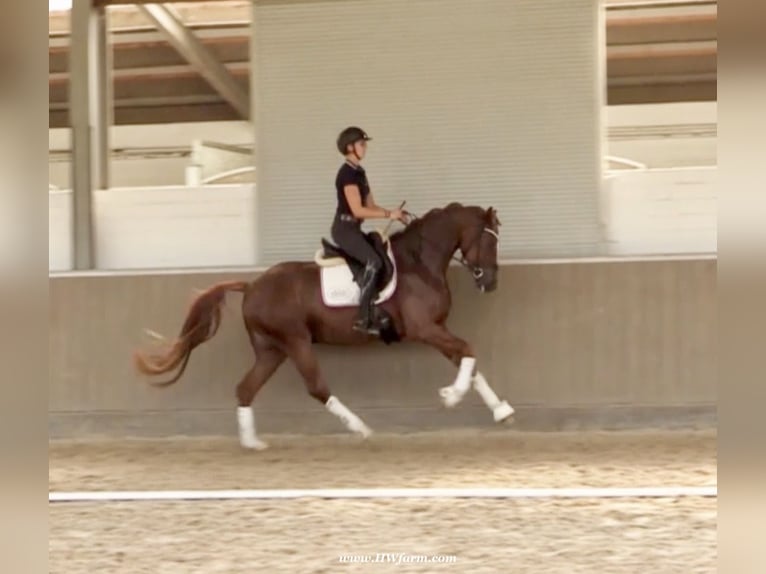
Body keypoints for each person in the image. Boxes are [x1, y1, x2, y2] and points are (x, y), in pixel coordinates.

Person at [331, 126, 407, 335]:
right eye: (362, 144)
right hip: (344, 229)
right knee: (373, 262)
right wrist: (388, 215)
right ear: (350, 147)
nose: (366, 148)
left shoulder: (360, 173)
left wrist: (394, 213)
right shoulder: (346, 174)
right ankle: (362, 317)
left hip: (354, 227)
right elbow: (357, 209)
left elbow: (371, 206)